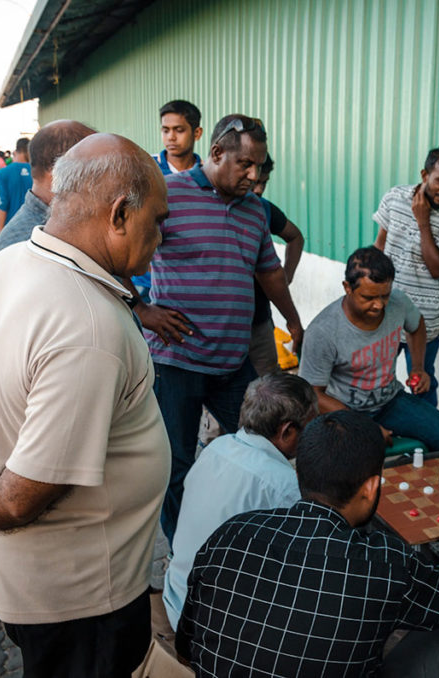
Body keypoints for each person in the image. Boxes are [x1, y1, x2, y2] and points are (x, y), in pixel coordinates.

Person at [0, 133, 171, 678]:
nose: (161, 239)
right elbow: (19, 499)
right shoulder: (88, 327)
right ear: (120, 214)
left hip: (43, 591)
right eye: (158, 220)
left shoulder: (3, 269)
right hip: (83, 604)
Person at [177, 409, 439, 677]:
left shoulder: (231, 533)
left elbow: (186, 648)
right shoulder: (384, 563)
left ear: (300, 470)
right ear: (372, 487)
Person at [130, 113, 303, 545]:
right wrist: (141, 309)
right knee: (176, 463)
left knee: (267, 445)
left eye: (259, 166)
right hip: (177, 361)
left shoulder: (255, 211)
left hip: (231, 362)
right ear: (216, 153)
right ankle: (181, 550)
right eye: (245, 164)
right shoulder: (167, 194)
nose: (253, 175)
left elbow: (270, 272)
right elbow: (117, 252)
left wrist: (293, 319)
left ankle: (260, 536)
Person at [163, 372, 317, 630]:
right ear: (288, 431)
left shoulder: (216, 448)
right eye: (310, 426)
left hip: (178, 600)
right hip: (211, 628)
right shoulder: (283, 485)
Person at [300, 246, 439, 452]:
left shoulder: (398, 303)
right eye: (368, 298)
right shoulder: (322, 331)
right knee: (352, 466)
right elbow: (312, 393)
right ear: (347, 288)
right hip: (344, 412)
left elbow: (417, 327)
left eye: (384, 296)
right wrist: (363, 427)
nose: (379, 305)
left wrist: (418, 367)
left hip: (390, 401)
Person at [374, 146, 439, 407]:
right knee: (378, 381)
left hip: (425, 320)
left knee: (422, 383)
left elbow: (437, 268)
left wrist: (423, 221)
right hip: (386, 312)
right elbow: (379, 247)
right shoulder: (395, 197)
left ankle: (429, 446)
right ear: (425, 174)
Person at [131, 99, 204, 302]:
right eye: (165, 130)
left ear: (197, 133)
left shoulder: (207, 175)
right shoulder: (145, 169)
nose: (171, 137)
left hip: (190, 280)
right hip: (147, 281)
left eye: (179, 130)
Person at [0, 120, 97, 255]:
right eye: (91, 169)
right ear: (57, 171)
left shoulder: (72, 222)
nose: (97, 180)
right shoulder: (21, 245)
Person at [248, 152, 304, 374]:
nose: (259, 189)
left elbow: (295, 237)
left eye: (264, 183)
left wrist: (286, 276)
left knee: (267, 386)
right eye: (255, 183)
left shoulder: (264, 208)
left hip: (259, 321)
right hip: (218, 327)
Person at [0, 137, 33, 229]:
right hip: (34, 227)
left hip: (11, 225)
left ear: (15, 152)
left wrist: (1, 230)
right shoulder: (39, 172)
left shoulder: (3, 172)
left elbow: (2, 203)